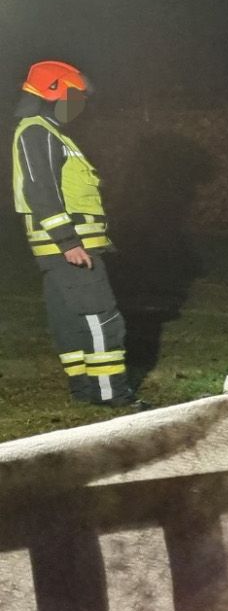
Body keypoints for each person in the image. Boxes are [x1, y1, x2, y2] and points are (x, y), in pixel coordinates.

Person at [11, 60, 139, 407]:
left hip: (64, 248)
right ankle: (112, 395)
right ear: (53, 92)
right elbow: (41, 190)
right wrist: (68, 242)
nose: (80, 105)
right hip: (70, 248)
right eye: (76, 96)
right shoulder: (37, 131)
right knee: (103, 318)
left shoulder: (49, 132)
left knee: (70, 321)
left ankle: (85, 391)